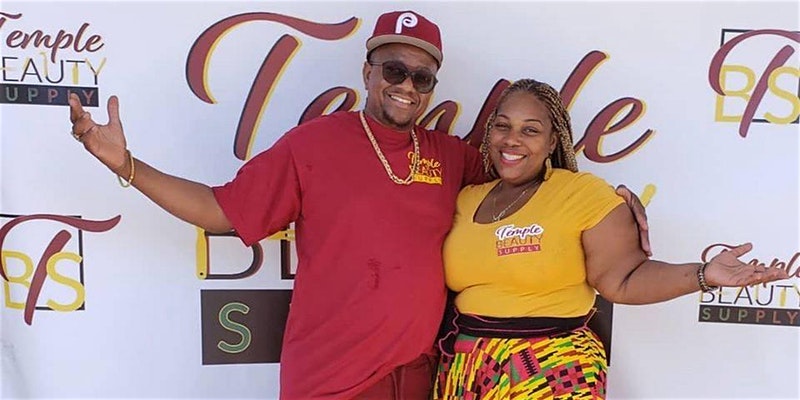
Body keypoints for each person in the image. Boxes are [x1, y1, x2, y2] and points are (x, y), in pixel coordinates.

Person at [67, 11, 649, 400]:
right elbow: (221, 210)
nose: (407, 86)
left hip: (419, 377)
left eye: (422, 77)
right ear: (368, 72)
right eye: (394, 70)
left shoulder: (452, 157)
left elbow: (529, 187)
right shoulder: (312, 146)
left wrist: (613, 208)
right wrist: (127, 165)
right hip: (330, 379)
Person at [434, 78, 790, 399]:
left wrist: (704, 274)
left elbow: (624, 279)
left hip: (551, 366)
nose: (512, 139)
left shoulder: (582, 194)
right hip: (470, 368)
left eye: (530, 130)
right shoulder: (467, 198)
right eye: (502, 126)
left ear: (553, 140)